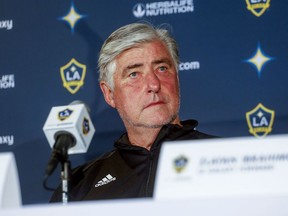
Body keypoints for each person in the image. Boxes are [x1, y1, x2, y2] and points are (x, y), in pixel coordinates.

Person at [50, 22, 215, 202]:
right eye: (134, 74)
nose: (153, 85)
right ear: (109, 94)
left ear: (176, 77)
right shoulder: (79, 186)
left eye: (162, 68)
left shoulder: (224, 158)